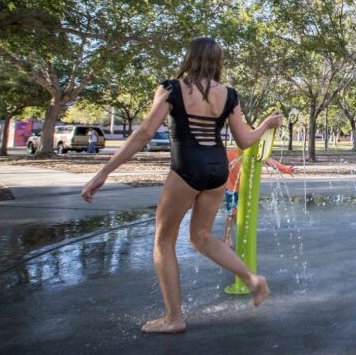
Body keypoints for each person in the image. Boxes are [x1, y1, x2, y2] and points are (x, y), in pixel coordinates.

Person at [80, 38, 283, 334]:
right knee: (201, 237)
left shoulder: (172, 88)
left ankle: (173, 318)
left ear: (190, 58)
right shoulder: (229, 95)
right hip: (216, 170)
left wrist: (104, 172)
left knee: (163, 241)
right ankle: (252, 280)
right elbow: (244, 141)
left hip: (186, 168)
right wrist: (264, 125)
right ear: (217, 62)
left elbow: (145, 132)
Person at [223, 147, 294, 246]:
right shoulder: (230, 154)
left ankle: (245, 236)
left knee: (245, 214)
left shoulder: (255, 153)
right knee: (232, 213)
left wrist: (286, 169)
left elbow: (270, 161)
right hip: (232, 189)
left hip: (248, 190)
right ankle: (227, 238)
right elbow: (219, 165)